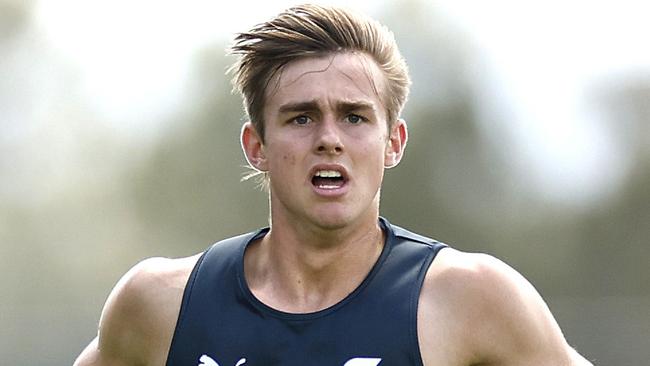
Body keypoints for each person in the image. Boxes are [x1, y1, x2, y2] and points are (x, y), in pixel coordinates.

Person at [75, 4, 593, 366]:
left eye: (354, 117)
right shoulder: (161, 305)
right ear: (256, 146)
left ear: (394, 143)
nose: (329, 139)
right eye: (301, 118)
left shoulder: (474, 298)